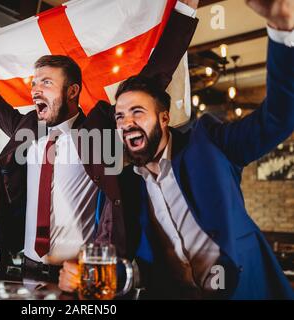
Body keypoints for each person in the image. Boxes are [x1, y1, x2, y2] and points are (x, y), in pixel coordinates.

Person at [59, 0, 294, 299]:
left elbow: (278, 119)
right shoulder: (129, 187)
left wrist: (283, 30)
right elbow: (143, 268)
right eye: (120, 116)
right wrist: (88, 275)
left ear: (165, 118)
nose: (127, 122)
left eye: (137, 112)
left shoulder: (209, 143)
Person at [0, 1, 199, 281]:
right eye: (34, 83)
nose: (35, 89)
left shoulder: (101, 129)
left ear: (72, 91)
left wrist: (184, 11)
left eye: (46, 82)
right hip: (27, 271)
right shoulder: (28, 128)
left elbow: (154, 77)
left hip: (80, 276)